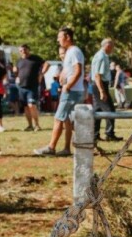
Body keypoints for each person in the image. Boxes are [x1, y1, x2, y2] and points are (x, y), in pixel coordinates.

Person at [34, 27, 84, 156]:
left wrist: (68, 86)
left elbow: (78, 71)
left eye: (59, 37)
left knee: (58, 118)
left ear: (68, 37)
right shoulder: (70, 52)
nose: (58, 40)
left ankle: (51, 148)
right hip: (71, 90)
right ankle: (67, 149)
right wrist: (62, 76)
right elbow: (69, 70)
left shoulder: (74, 51)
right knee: (66, 120)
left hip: (71, 91)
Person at [90, 38, 122, 142]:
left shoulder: (100, 55)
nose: (113, 49)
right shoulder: (102, 57)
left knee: (97, 110)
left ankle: (95, 134)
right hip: (100, 85)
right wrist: (102, 91)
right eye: (112, 46)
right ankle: (109, 133)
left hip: (98, 84)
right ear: (108, 46)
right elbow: (97, 75)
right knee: (110, 110)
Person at [15, 44, 48, 131]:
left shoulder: (35, 58)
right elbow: (16, 70)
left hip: (32, 86)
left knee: (32, 105)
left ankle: (37, 125)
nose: (23, 52)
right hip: (21, 87)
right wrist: (17, 76)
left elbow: (47, 64)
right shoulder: (19, 61)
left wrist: (41, 74)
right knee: (26, 107)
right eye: (21, 51)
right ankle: (30, 125)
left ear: (28, 50)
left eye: (25, 50)